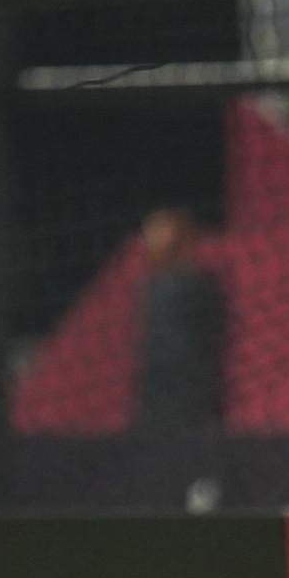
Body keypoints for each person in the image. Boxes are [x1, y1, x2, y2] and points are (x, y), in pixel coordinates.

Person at [128, 208, 226, 513]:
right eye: (151, 233)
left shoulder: (199, 285)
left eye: (162, 233)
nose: (153, 241)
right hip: (158, 396)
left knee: (195, 466)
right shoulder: (150, 287)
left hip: (193, 394)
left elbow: (211, 337)